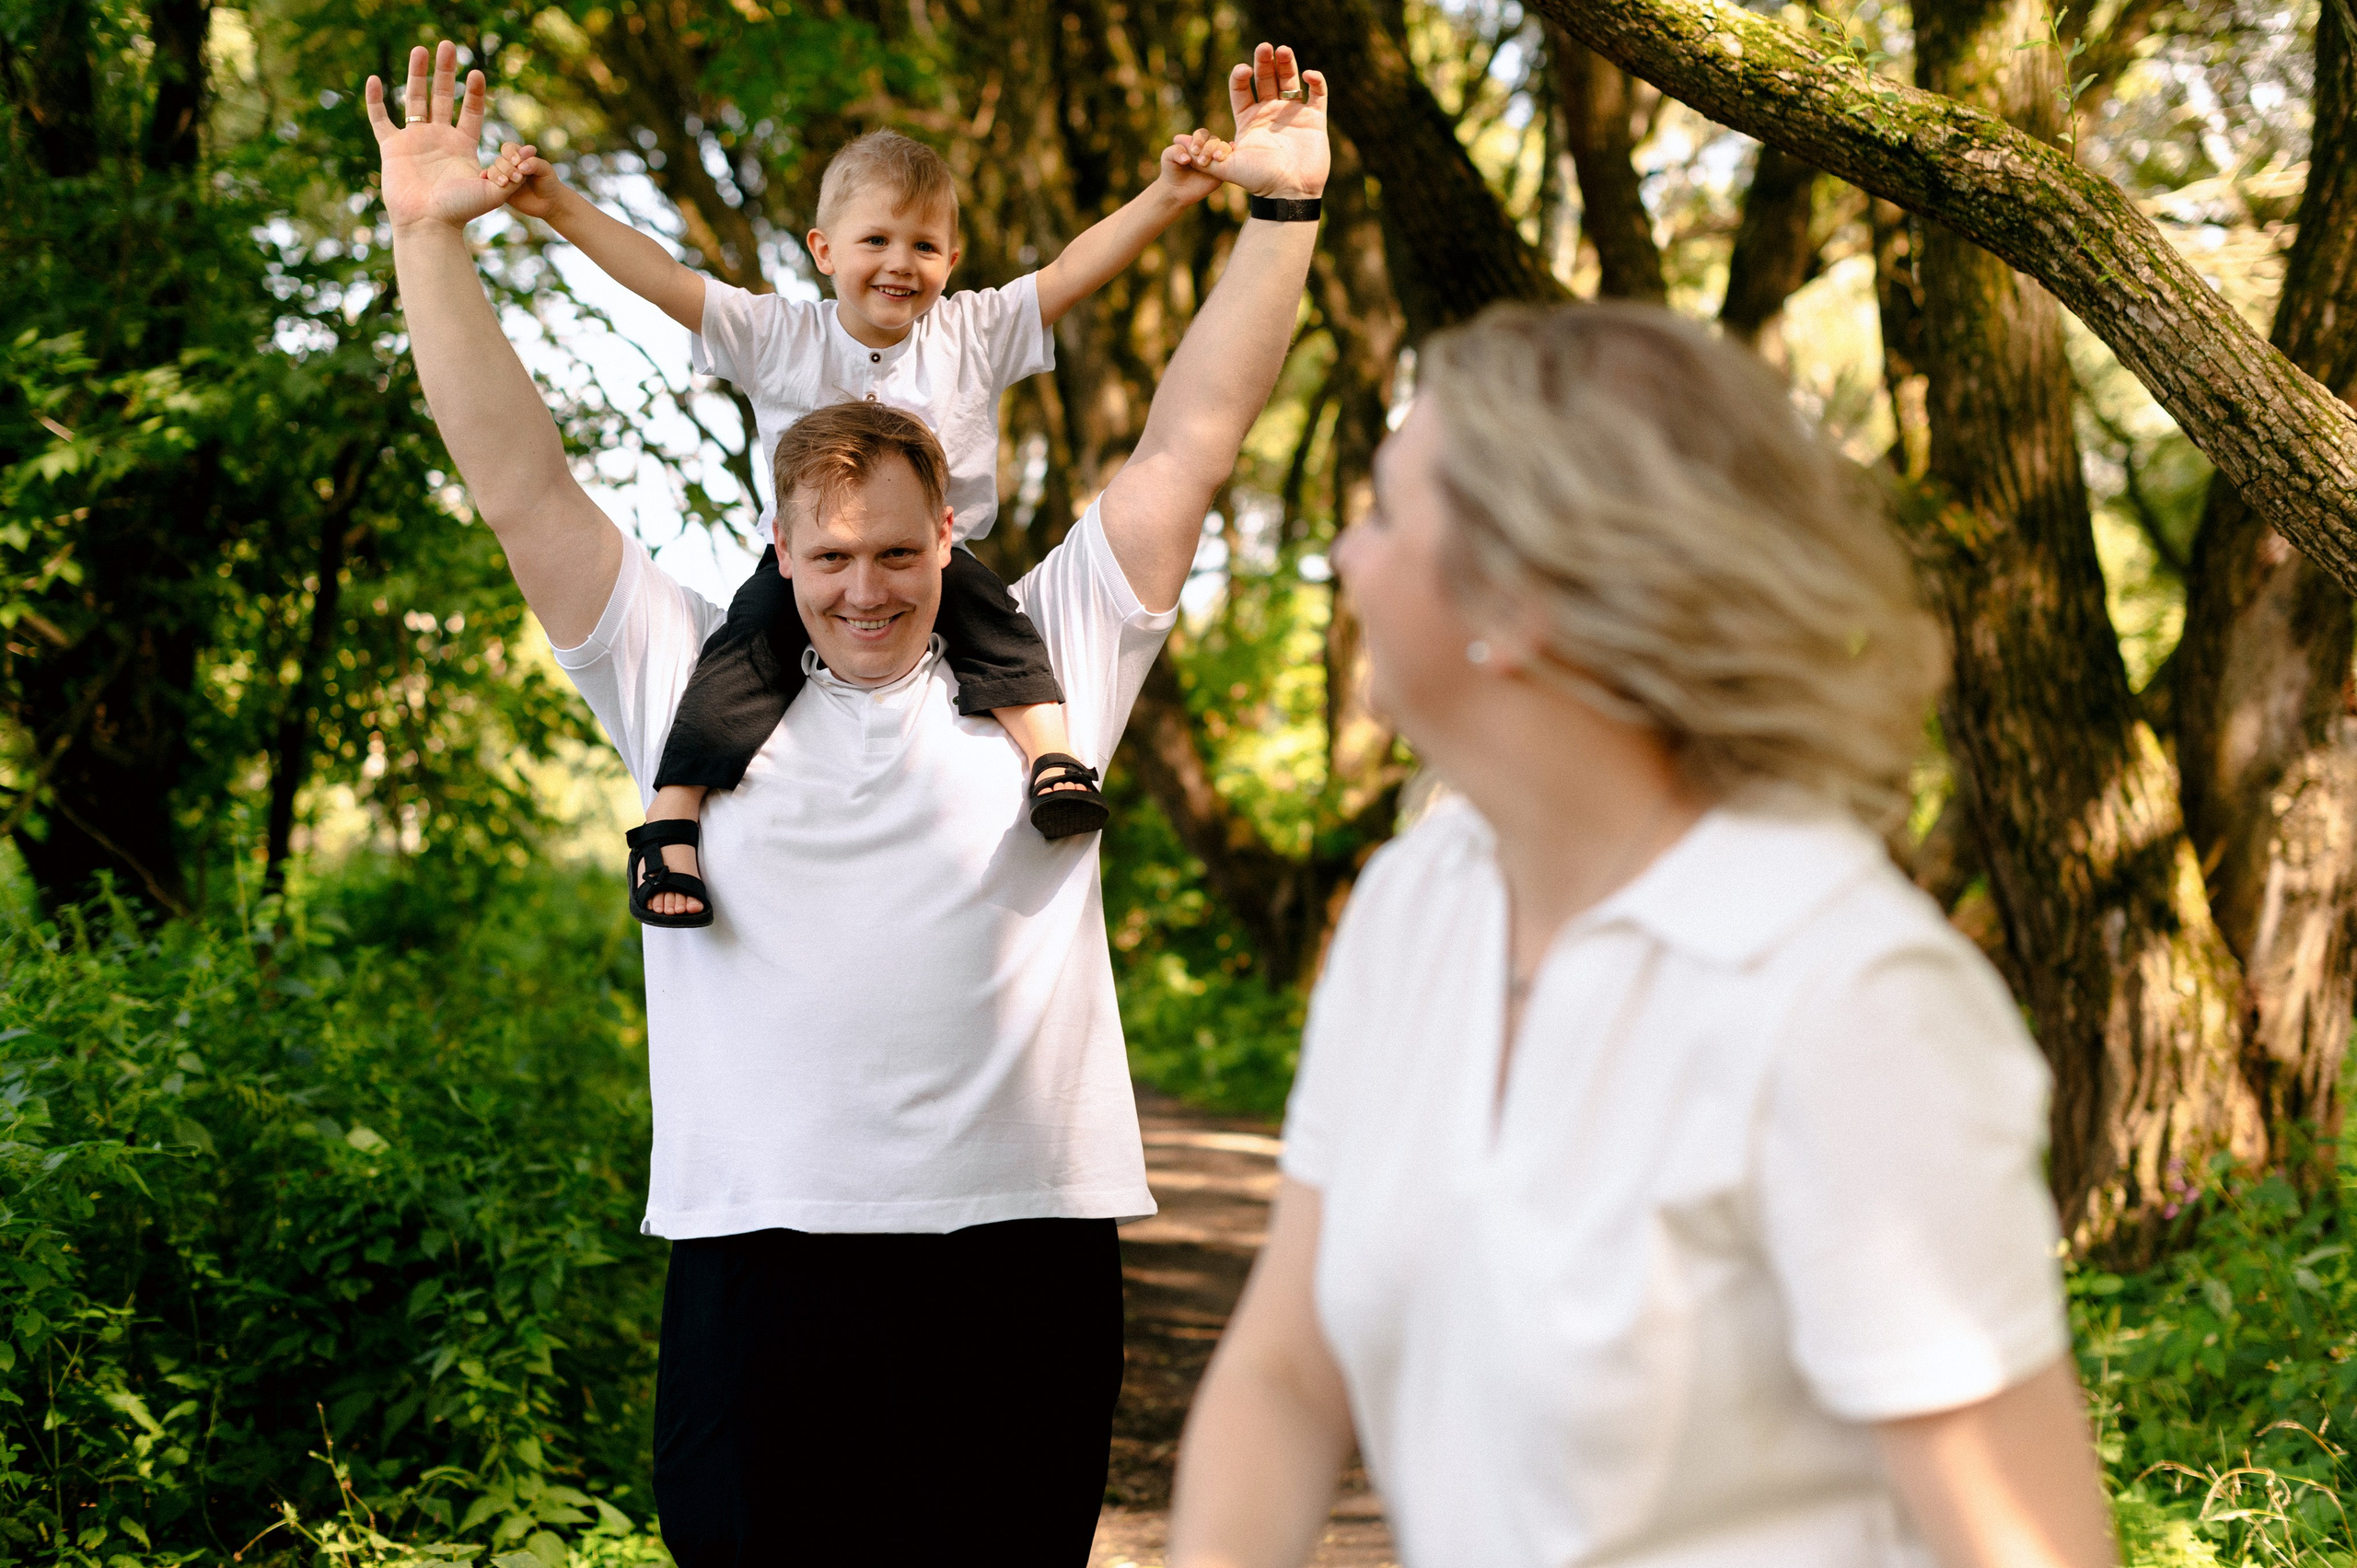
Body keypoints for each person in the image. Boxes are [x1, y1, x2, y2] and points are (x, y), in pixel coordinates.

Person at [365, 35, 1328, 1562]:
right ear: (779, 547)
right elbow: (519, 480)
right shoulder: (681, 665)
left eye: (900, 553)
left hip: (1022, 1238)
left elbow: (1189, 444)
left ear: (949, 534)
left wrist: (1280, 221)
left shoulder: (1051, 657)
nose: (867, 589)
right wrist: (430, 234)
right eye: (832, 558)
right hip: (762, 1247)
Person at [1166, 304, 2120, 1568]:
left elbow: (2025, 1545)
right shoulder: (1419, 901)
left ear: (1522, 594)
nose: (1346, 550)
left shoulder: (1847, 994)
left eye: (1388, 511)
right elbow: (1287, 1376)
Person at [481, 116, 1228, 928]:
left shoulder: (972, 331)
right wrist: (559, 207)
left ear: (952, 259)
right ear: (824, 248)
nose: (901, 263)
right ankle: (673, 814)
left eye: (925, 245)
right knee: (740, 654)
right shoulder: (777, 335)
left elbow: (1073, 269)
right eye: (876, 239)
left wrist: (1168, 195)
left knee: (1001, 628)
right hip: (808, 564)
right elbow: (666, 280)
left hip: (933, 557)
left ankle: (1054, 760)